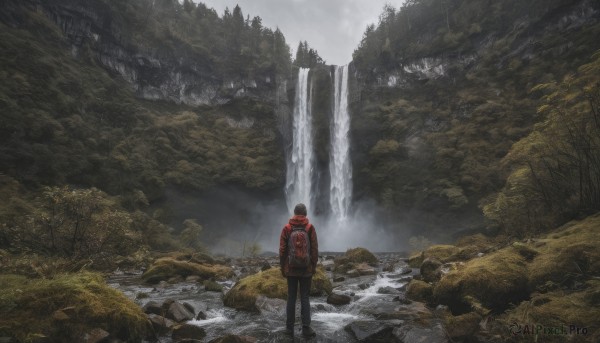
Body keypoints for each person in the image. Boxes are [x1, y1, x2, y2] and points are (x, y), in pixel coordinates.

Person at [279, 203, 318, 338]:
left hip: (291, 268)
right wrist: (313, 266)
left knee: (291, 297)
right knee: (305, 297)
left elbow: (282, 250)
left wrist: (282, 267)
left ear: (294, 213)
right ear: (305, 214)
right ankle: (306, 328)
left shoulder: (287, 228)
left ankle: (289, 328)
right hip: (306, 269)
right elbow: (314, 249)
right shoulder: (310, 228)